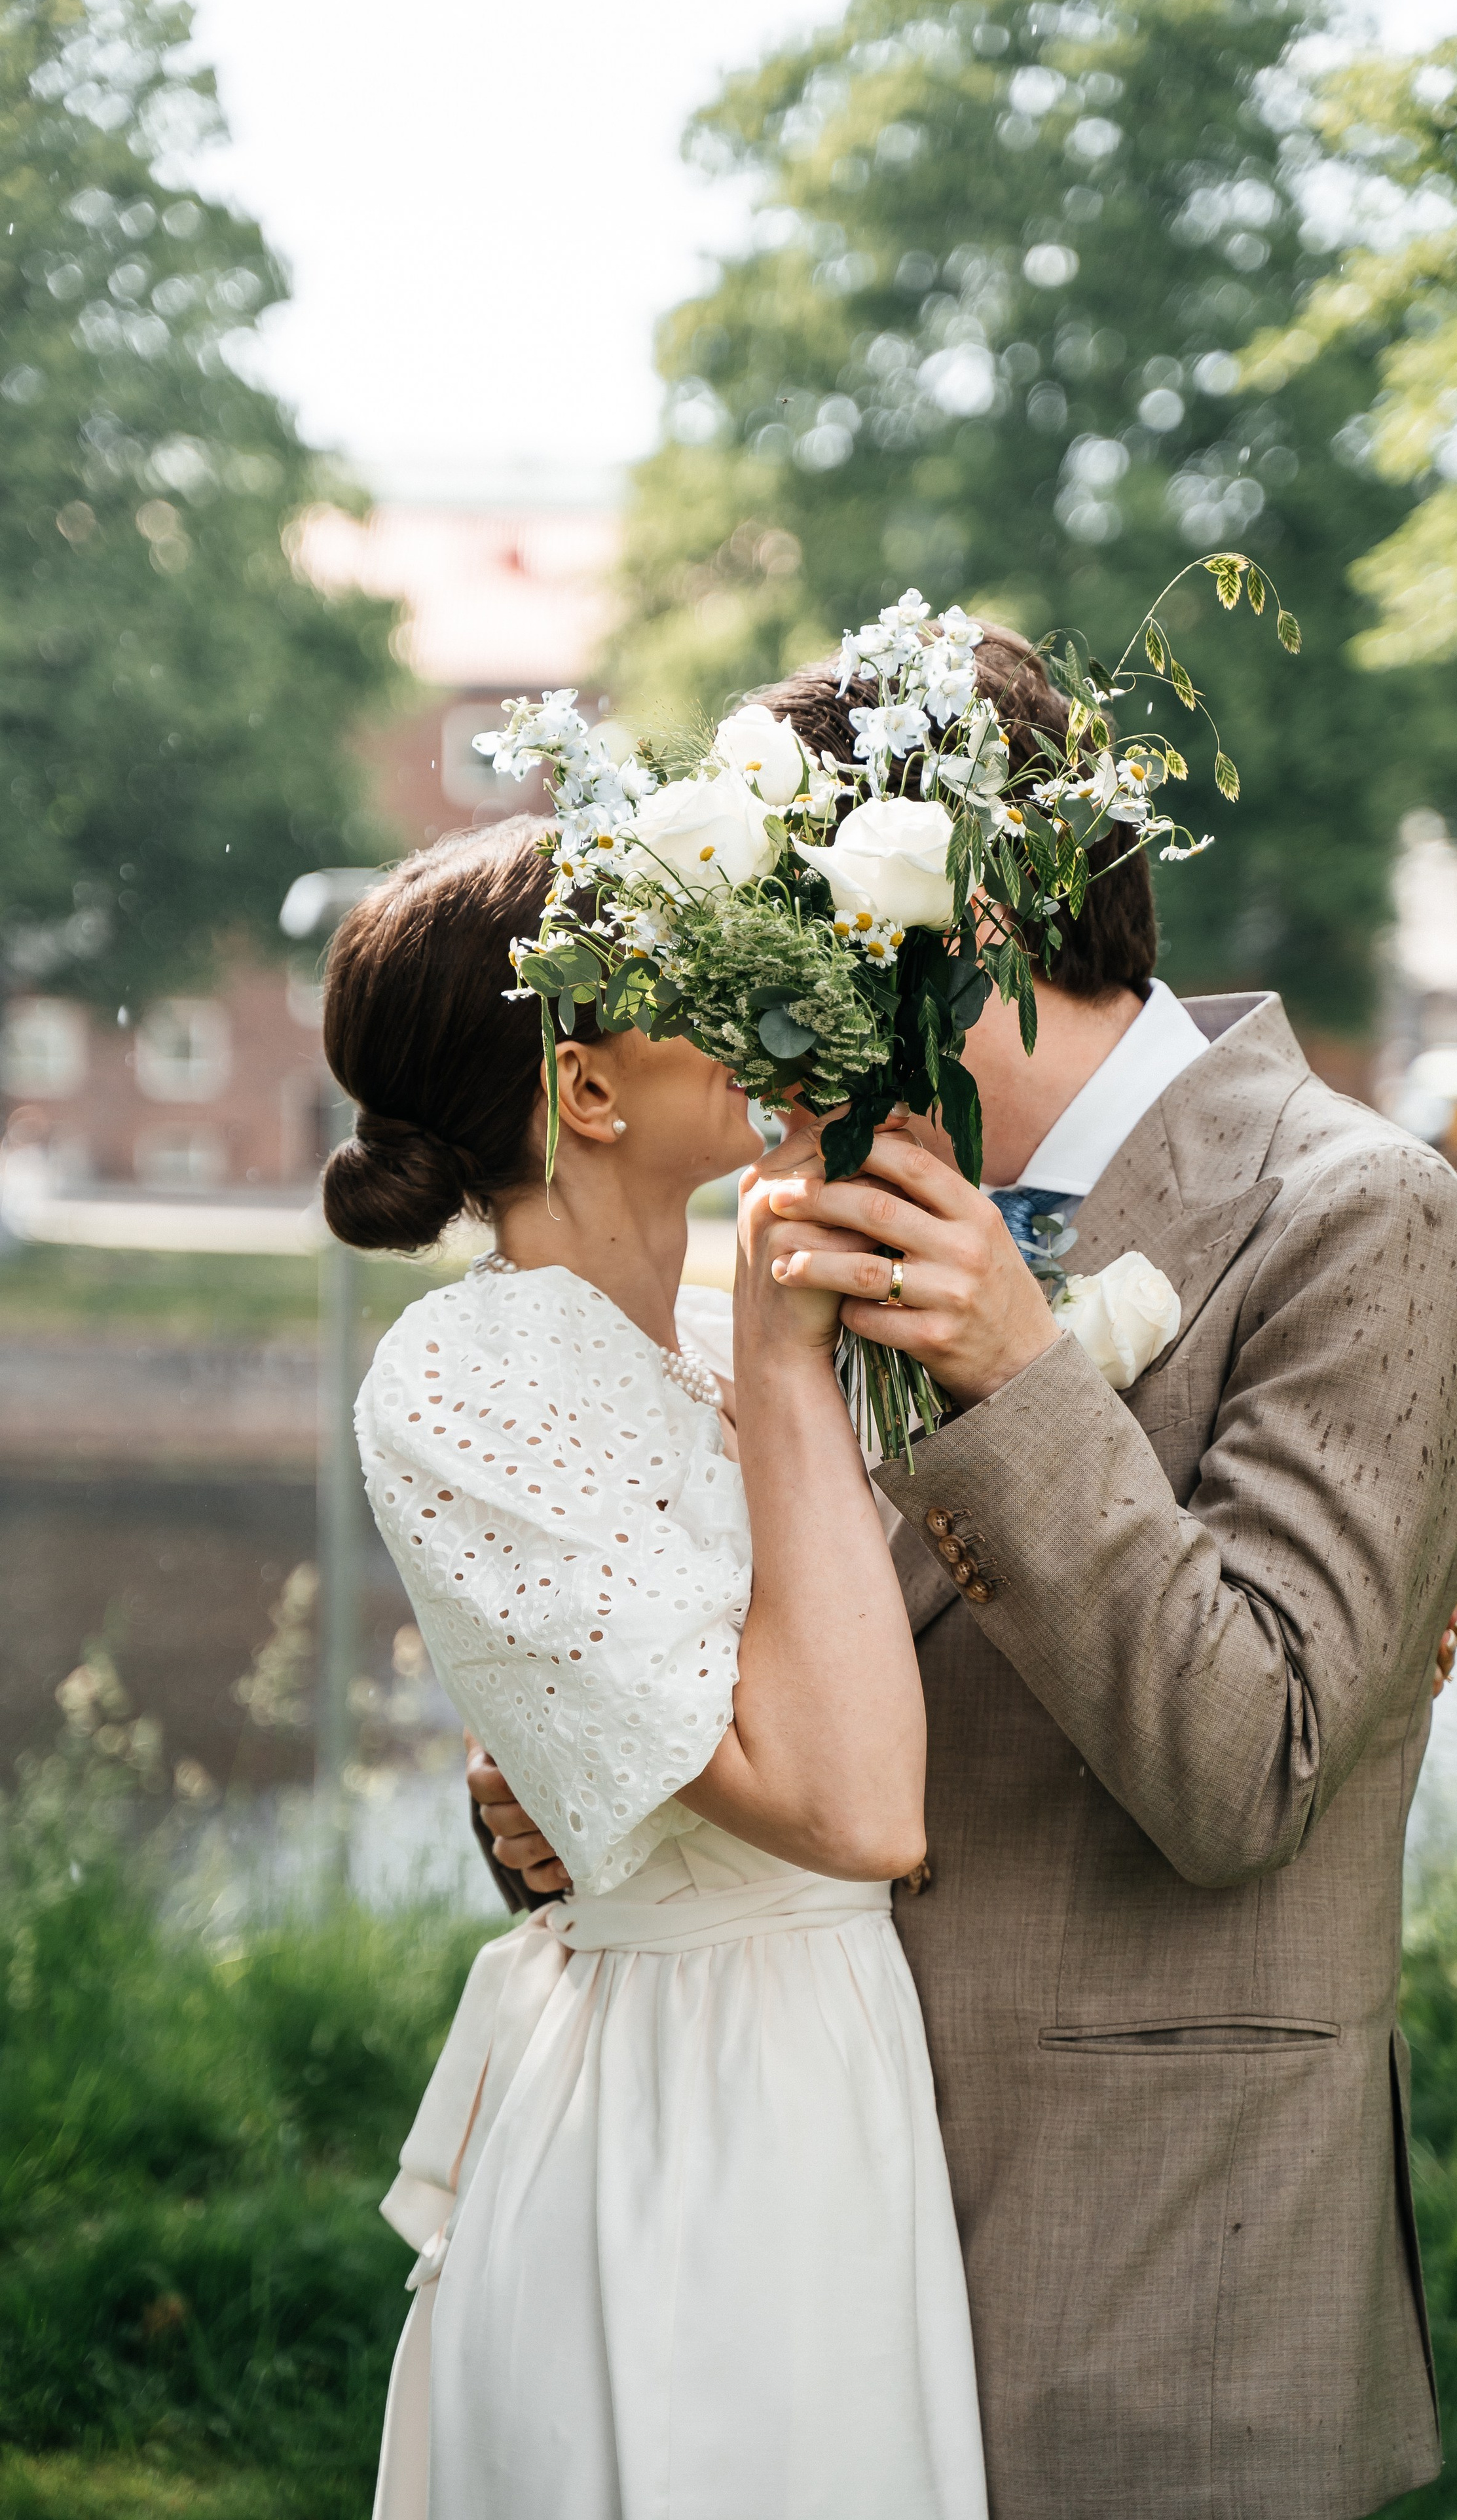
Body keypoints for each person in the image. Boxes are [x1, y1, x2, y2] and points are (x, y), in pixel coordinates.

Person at [468, 626, 1457, 2520]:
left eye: (752, 943)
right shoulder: (815, 1216)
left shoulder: (1365, 1220)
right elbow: (770, 1668)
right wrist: (589, 1759)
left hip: (1141, 2293)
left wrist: (1023, 1378)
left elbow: (1245, 1767)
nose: (712, 1010)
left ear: (949, 920)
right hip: (787, 2268)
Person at [322, 823, 989, 2520]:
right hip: (692, 2111)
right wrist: (783, 1351)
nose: (745, 1001)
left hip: (835, 2071)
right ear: (590, 1092)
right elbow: (848, 1803)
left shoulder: (692, 1347)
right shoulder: (465, 1375)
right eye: (689, 976)